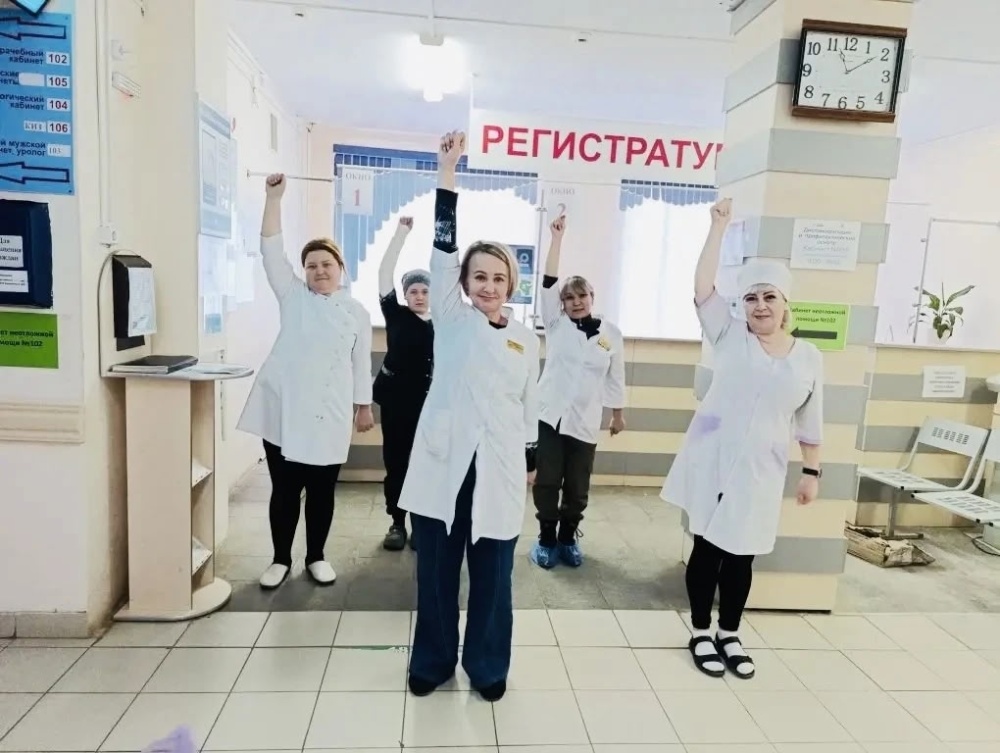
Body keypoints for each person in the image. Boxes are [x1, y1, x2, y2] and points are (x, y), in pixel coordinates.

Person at [398, 131, 540, 703]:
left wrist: (530, 459)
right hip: (445, 460)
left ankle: (487, 664)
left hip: (499, 467)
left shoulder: (526, 339)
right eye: (479, 276)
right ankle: (433, 661)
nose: (488, 285)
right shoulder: (452, 319)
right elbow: (441, 250)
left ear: (511, 285)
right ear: (463, 283)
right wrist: (447, 175)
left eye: (498, 278)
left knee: (494, 575)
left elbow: (529, 404)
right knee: (435, 571)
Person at [661, 198, 823, 680]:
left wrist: (811, 472)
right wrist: (718, 228)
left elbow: (811, 419)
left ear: (786, 304)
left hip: (761, 470)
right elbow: (702, 287)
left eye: (770, 297)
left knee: (742, 553)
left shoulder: (808, 357)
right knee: (707, 550)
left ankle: (729, 633)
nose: (760, 305)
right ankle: (699, 631)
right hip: (713, 460)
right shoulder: (728, 335)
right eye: (751, 298)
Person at [237, 173, 375, 590]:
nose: (318, 271)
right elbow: (270, 250)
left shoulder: (357, 312)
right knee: (284, 489)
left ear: (340, 268)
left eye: (326, 264)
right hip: (285, 410)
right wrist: (273, 198)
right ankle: (280, 559)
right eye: (311, 265)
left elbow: (360, 362)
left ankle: (316, 556)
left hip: (330, 413)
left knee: (321, 491)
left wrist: (363, 407)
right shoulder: (293, 296)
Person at [529, 213, 626, 569]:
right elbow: (548, 283)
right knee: (547, 481)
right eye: (569, 298)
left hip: (585, 420)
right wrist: (557, 239)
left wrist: (617, 414)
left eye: (581, 295)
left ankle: (568, 538)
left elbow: (616, 376)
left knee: (577, 487)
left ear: (592, 297)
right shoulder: (556, 325)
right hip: (550, 417)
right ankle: (546, 539)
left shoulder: (610, 334)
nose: (576, 301)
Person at [373, 217, 432, 551]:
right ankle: (397, 522)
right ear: (405, 295)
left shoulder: (443, 323)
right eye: (413, 291)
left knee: (424, 465)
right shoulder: (396, 315)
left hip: (429, 405)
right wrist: (401, 234)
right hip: (396, 404)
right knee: (397, 463)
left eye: (425, 291)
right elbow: (384, 272)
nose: (419, 296)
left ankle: (421, 523)